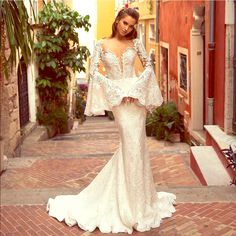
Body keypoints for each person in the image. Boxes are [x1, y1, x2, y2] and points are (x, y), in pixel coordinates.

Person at [47, 6, 176, 234]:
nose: (127, 29)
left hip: (134, 100)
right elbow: (94, 73)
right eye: (125, 23)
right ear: (117, 20)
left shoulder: (135, 44)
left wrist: (134, 89)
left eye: (132, 26)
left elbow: (148, 66)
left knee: (136, 147)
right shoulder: (100, 44)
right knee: (130, 144)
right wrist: (117, 92)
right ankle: (128, 204)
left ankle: (139, 203)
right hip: (120, 103)